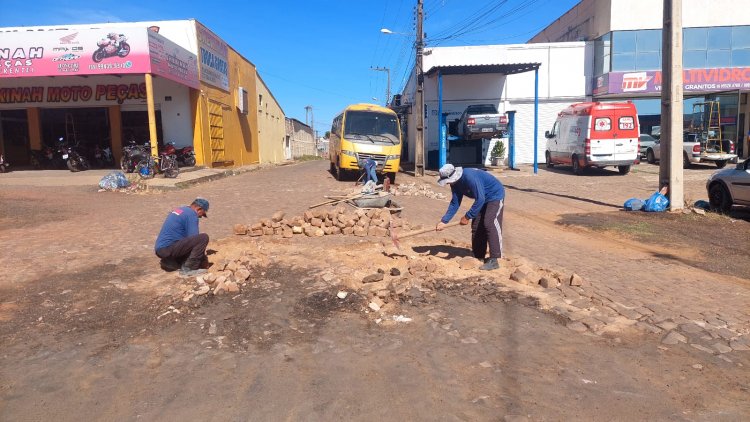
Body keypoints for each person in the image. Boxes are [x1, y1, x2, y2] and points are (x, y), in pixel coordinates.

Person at [436, 163, 505, 271]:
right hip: (482, 198)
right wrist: (444, 221)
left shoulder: (469, 177)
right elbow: (455, 202)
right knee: (476, 226)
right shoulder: (455, 184)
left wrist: (467, 216)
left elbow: (480, 199)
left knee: (489, 223)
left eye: (448, 181)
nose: (448, 184)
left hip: (494, 195)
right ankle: (479, 256)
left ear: (453, 177)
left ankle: (494, 259)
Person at [155, 198, 210, 276]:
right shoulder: (191, 214)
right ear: (199, 209)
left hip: (161, 249)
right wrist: (203, 260)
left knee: (186, 243)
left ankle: (170, 261)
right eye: (201, 214)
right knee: (203, 238)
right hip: (168, 248)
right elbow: (194, 238)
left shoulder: (181, 210)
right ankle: (189, 269)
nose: (200, 217)